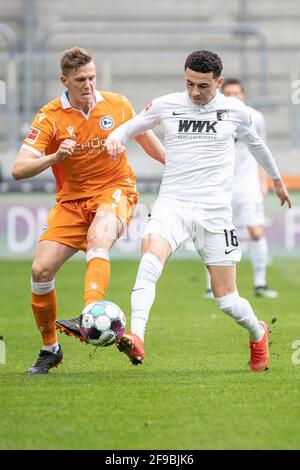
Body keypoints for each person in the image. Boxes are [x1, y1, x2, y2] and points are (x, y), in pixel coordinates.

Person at [105, 50, 291, 371]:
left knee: (227, 301)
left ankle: (257, 331)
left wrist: (276, 181)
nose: (194, 92)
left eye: (203, 86)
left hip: (216, 213)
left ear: (218, 82)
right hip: (172, 204)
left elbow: (258, 145)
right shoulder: (167, 104)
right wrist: (114, 138)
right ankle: (136, 335)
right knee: (150, 260)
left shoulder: (235, 111)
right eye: (189, 83)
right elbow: (132, 126)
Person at [12, 47, 165, 374]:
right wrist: (53, 158)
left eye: (92, 77)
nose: (89, 85)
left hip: (116, 189)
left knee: (100, 237)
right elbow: (18, 169)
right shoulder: (50, 117)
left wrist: (173, 164)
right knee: (40, 272)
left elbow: (146, 138)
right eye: (81, 79)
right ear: (64, 80)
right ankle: (50, 348)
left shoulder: (118, 105)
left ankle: (89, 312)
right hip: (71, 201)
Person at [203, 78, 278, 300]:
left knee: (256, 231)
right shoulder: (214, 115)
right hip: (220, 186)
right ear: (223, 94)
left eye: (237, 93)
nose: (234, 96)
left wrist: (263, 180)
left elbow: (260, 148)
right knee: (214, 234)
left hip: (247, 185)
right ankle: (211, 286)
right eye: (229, 93)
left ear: (243, 95)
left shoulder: (255, 117)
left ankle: (260, 284)